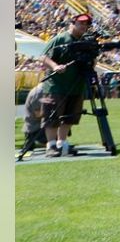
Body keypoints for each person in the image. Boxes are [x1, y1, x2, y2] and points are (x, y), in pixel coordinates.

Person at [39, 13, 93, 157]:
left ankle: (62, 144)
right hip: (56, 86)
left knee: (70, 116)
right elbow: (43, 57)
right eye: (81, 23)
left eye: (87, 24)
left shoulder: (86, 41)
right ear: (73, 23)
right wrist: (55, 66)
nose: (84, 26)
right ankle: (50, 146)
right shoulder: (61, 38)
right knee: (52, 116)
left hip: (76, 86)